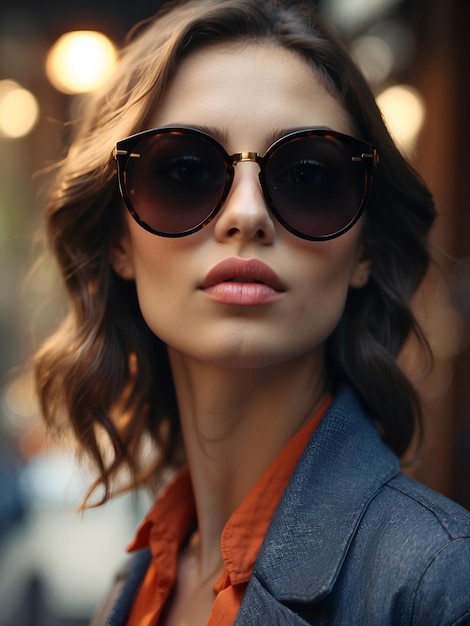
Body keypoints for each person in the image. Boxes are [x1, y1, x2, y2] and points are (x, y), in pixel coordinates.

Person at [33, 0, 470, 624]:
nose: (245, 216)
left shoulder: (440, 586)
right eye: (184, 171)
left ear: (365, 249)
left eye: (309, 177)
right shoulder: (137, 587)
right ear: (118, 242)